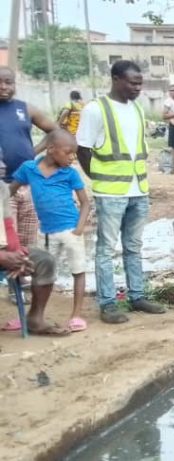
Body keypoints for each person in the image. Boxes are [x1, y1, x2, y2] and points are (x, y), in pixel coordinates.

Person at [76, 60, 167, 324]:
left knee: (134, 246)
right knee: (106, 249)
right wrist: (98, 178)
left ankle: (137, 296)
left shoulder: (137, 109)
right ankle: (107, 304)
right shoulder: (96, 110)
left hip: (138, 188)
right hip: (111, 191)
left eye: (140, 83)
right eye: (133, 83)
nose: (138, 88)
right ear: (116, 79)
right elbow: (83, 149)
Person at [9, 130, 89, 332]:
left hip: (70, 229)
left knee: (78, 271)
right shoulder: (29, 169)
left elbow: (85, 203)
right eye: (68, 152)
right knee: (42, 272)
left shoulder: (70, 173)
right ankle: (33, 316)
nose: (72, 157)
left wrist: (78, 229)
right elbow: (8, 191)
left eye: (74, 153)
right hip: (45, 232)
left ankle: (76, 316)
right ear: (51, 149)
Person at [0, 66, 58, 247]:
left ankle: (25, 275)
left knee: (29, 245)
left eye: (8, 82)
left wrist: (34, 151)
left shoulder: (25, 109)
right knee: (7, 245)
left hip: (28, 186)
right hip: (3, 188)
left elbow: (54, 131)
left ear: (15, 85)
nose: (3, 86)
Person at [0, 181, 62, 336]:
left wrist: (18, 257)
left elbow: (8, 227)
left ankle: (35, 319)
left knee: (44, 261)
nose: (2, 166)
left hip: (5, 251)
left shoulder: (2, 188)